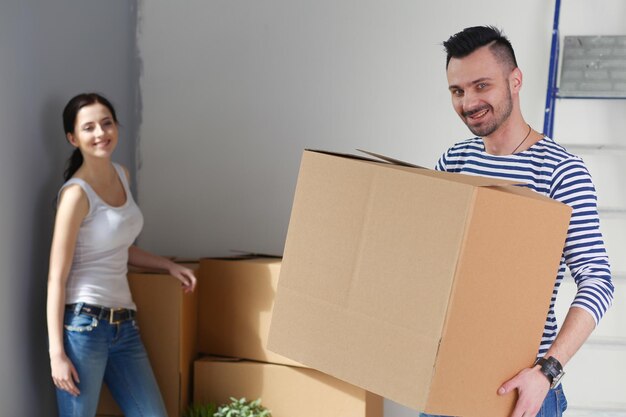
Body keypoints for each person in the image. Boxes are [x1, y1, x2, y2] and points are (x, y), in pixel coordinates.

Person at [422, 26, 614, 417]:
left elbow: (598, 281)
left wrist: (547, 372)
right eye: (457, 91)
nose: (468, 102)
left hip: (518, 396)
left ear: (515, 81)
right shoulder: (454, 162)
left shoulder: (561, 172)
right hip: (444, 385)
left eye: (481, 86)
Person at [46, 93, 197, 417]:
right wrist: (56, 353)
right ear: (73, 138)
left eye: (107, 123)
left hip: (125, 326)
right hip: (85, 327)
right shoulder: (75, 194)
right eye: (89, 128)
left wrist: (167, 265)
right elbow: (56, 278)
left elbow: (117, 247)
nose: (101, 133)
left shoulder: (122, 175)